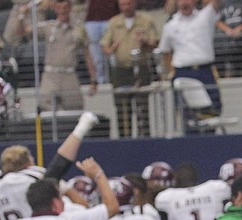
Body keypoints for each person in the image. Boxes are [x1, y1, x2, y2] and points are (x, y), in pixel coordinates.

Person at [23, 0, 99, 112]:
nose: (62, 10)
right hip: (50, 75)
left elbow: (87, 54)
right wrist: (24, 14)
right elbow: (27, 30)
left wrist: (94, 80)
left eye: (65, 7)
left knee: (75, 108)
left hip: (69, 74)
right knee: (45, 105)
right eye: (59, 7)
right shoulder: (48, 27)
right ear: (55, 8)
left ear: (70, 8)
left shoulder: (78, 30)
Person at [101, 0, 160, 137]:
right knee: (122, 110)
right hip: (121, 70)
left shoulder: (145, 20)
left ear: (134, 3)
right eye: (123, 4)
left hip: (141, 68)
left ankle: (144, 138)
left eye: (129, 3)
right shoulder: (114, 23)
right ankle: (125, 140)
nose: (126, 7)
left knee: (142, 108)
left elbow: (155, 42)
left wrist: (144, 42)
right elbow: (105, 45)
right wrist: (111, 49)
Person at [158, 0, 223, 114]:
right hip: (182, 72)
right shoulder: (170, 25)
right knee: (188, 114)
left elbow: (215, 3)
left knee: (213, 111)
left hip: (205, 71)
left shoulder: (206, 16)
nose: (184, 3)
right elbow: (165, 51)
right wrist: (171, 72)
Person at [85, 0, 120, 84]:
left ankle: (117, 80)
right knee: (96, 57)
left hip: (111, 17)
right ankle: (99, 82)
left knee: (114, 56)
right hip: (92, 19)